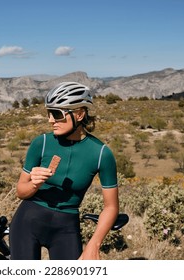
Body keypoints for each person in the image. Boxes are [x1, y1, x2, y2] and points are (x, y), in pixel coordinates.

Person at [9, 82, 119, 260]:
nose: (50, 120)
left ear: (80, 114)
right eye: (49, 113)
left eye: (57, 114)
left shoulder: (101, 153)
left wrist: (94, 244)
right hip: (27, 222)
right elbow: (21, 191)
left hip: (66, 228)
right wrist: (34, 184)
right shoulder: (41, 143)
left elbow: (111, 206)